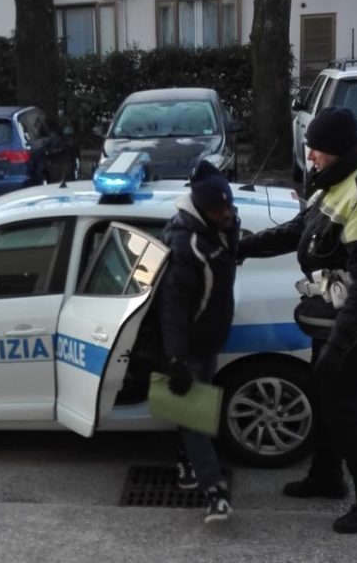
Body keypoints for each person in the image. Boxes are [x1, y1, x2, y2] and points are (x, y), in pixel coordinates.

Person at [237, 107, 357, 534]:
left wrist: (340, 346)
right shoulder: (335, 181)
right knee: (327, 402)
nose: (310, 157)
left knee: (343, 410)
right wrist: (246, 246)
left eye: (317, 151)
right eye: (310, 149)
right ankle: (327, 477)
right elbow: (299, 230)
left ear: (339, 150)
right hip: (329, 317)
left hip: (349, 324)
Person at [157, 159, 240, 524]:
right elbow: (172, 309)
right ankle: (215, 491)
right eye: (218, 209)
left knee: (196, 406)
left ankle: (186, 462)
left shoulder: (221, 225)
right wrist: (175, 360)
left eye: (228, 206)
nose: (226, 213)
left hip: (210, 337)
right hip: (189, 344)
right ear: (202, 209)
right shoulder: (185, 246)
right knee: (193, 416)